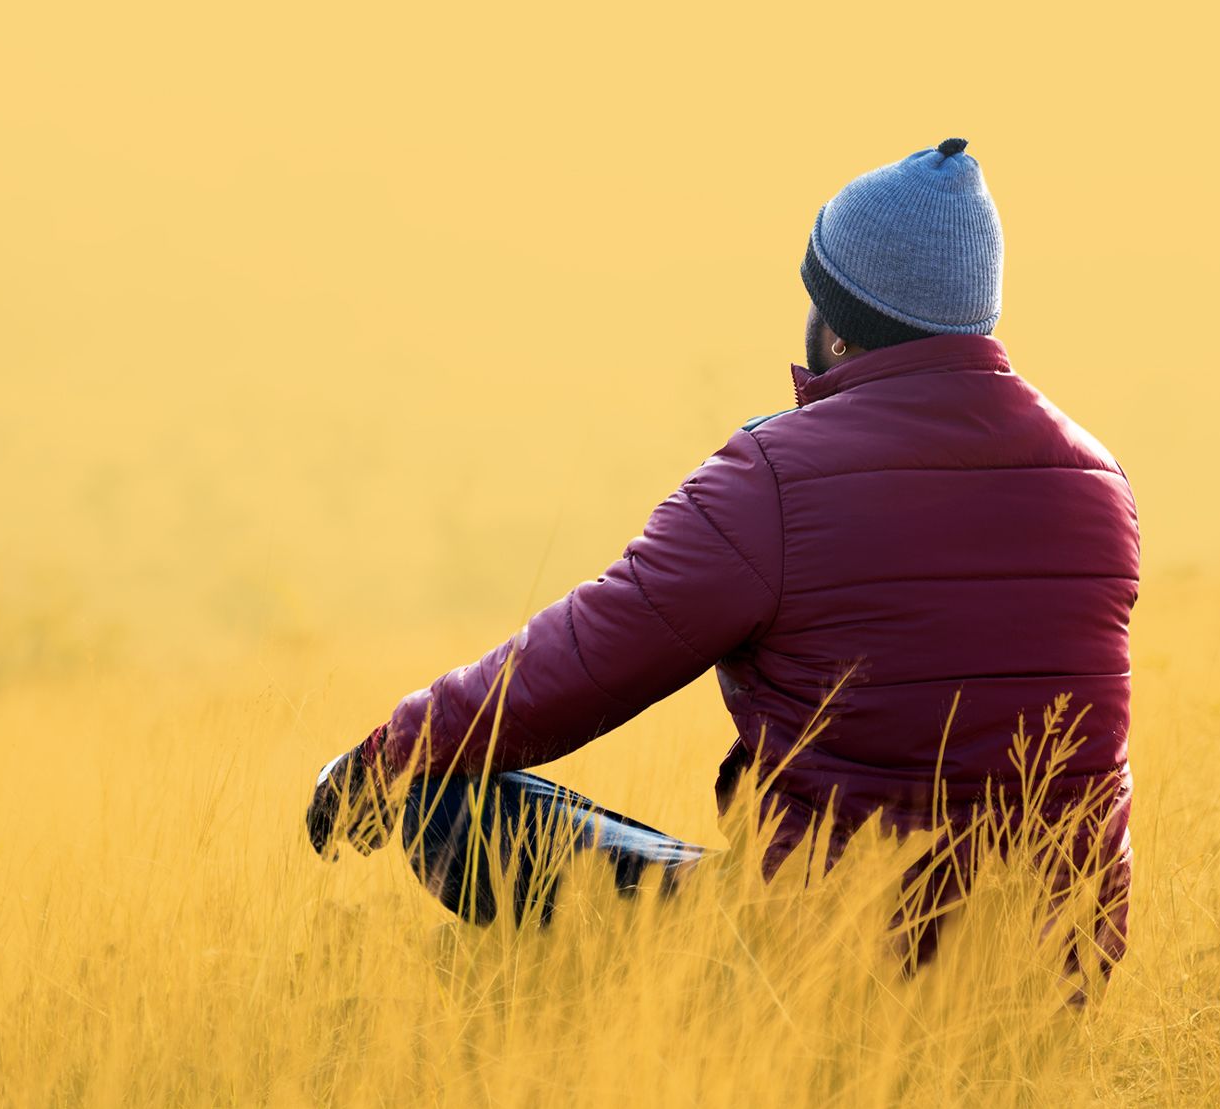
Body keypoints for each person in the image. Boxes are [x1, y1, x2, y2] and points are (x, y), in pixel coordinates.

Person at [305, 137, 1139, 969]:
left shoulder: (775, 476)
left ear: (839, 325)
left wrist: (387, 753)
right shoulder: (1100, 480)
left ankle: (535, 1001)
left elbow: (576, 663)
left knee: (439, 799)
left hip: (826, 961)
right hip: (1053, 970)